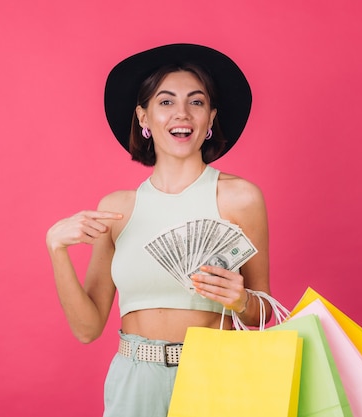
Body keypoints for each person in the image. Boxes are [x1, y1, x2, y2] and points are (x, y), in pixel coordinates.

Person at [46, 43, 271, 417]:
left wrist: (241, 301)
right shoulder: (116, 210)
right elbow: (87, 328)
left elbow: (266, 314)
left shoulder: (240, 198)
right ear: (143, 117)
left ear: (211, 118)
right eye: (165, 102)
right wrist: (56, 248)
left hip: (214, 375)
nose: (181, 113)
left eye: (196, 102)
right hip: (133, 379)